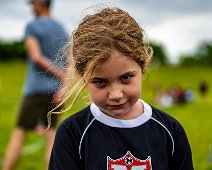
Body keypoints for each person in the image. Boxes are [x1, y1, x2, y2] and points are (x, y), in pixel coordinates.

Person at [48, 7, 193, 170]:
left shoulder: (170, 131)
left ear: (143, 66)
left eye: (125, 78)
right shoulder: (72, 133)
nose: (116, 95)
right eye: (101, 82)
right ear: (84, 78)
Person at [2, 0, 68, 169]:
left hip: (36, 91)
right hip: (57, 92)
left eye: (33, 3)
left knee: (18, 134)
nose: (31, 7)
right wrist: (63, 85)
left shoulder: (32, 26)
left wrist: (60, 75)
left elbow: (37, 57)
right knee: (51, 137)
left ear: (40, 4)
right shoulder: (61, 28)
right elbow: (70, 62)